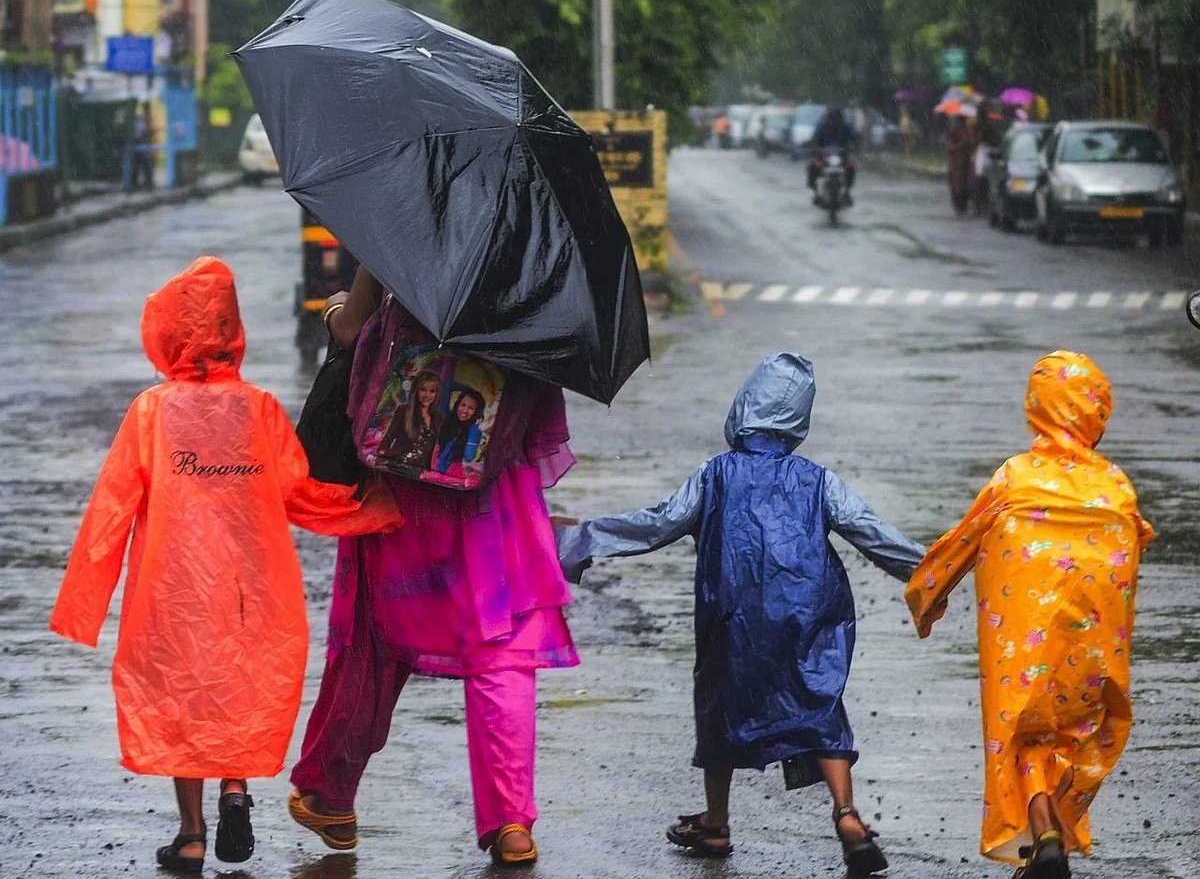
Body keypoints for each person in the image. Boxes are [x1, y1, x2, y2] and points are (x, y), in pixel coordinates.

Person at [48, 256, 403, 874]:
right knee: (235, 686)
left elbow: (111, 509)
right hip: (250, 582)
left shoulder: (152, 413)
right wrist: (372, 508)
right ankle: (235, 788)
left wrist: (83, 606)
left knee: (181, 697)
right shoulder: (259, 409)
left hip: (171, 585)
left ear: (167, 332)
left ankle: (190, 833)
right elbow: (300, 492)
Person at [556, 353, 925, 875]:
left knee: (721, 707)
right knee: (820, 708)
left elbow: (657, 524)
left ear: (744, 408)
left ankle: (716, 822)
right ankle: (847, 816)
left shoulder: (716, 475)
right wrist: (934, 571)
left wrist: (582, 538)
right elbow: (870, 531)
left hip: (733, 615)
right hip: (807, 613)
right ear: (798, 419)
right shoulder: (818, 480)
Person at [287, 266, 579, 867]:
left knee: (373, 634)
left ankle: (332, 793)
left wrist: (338, 308)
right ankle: (511, 822)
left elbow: (352, 331)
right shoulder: (526, 256)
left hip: (400, 491)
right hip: (491, 493)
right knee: (501, 649)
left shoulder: (400, 235)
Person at [905, 351, 1155, 879]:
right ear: (1096, 412)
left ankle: (1043, 833)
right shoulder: (1116, 487)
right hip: (1094, 631)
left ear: (1037, 408)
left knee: (1023, 730)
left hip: (1023, 635)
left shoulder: (1016, 478)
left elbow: (965, 540)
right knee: (1078, 728)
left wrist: (928, 595)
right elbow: (1138, 543)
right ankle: (1049, 838)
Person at [377, 369, 442, 469]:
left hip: (420, 474)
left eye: (432, 391)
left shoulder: (438, 418)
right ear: (416, 390)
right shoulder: (403, 411)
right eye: (423, 390)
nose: (427, 395)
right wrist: (380, 461)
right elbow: (388, 438)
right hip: (396, 466)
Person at [433, 387, 485, 475]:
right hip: (432, 464)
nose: (465, 411)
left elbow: (469, 456)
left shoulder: (474, 431)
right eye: (463, 405)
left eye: (471, 408)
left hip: (451, 472)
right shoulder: (446, 416)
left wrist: (473, 434)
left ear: (477, 412)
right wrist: (467, 389)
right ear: (458, 404)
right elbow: (448, 385)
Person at [807, 107, 860, 192]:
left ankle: (848, 188)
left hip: (842, 156)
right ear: (827, 117)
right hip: (824, 156)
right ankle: (814, 187)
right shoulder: (821, 126)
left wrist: (853, 145)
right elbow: (814, 140)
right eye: (831, 117)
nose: (833, 120)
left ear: (840, 118)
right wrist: (815, 148)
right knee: (812, 165)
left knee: (851, 167)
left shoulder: (846, 127)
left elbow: (855, 138)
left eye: (836, 118)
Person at [946, 115, 974, 215]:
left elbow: (972, 144)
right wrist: (961, 144)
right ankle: (958, 205)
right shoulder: (953, 132)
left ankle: (964, 204)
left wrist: (969, 141)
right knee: (957, 186)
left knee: (965, 185)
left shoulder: (968, 131)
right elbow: (950, 147)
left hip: (966, 164)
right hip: (956, 164)